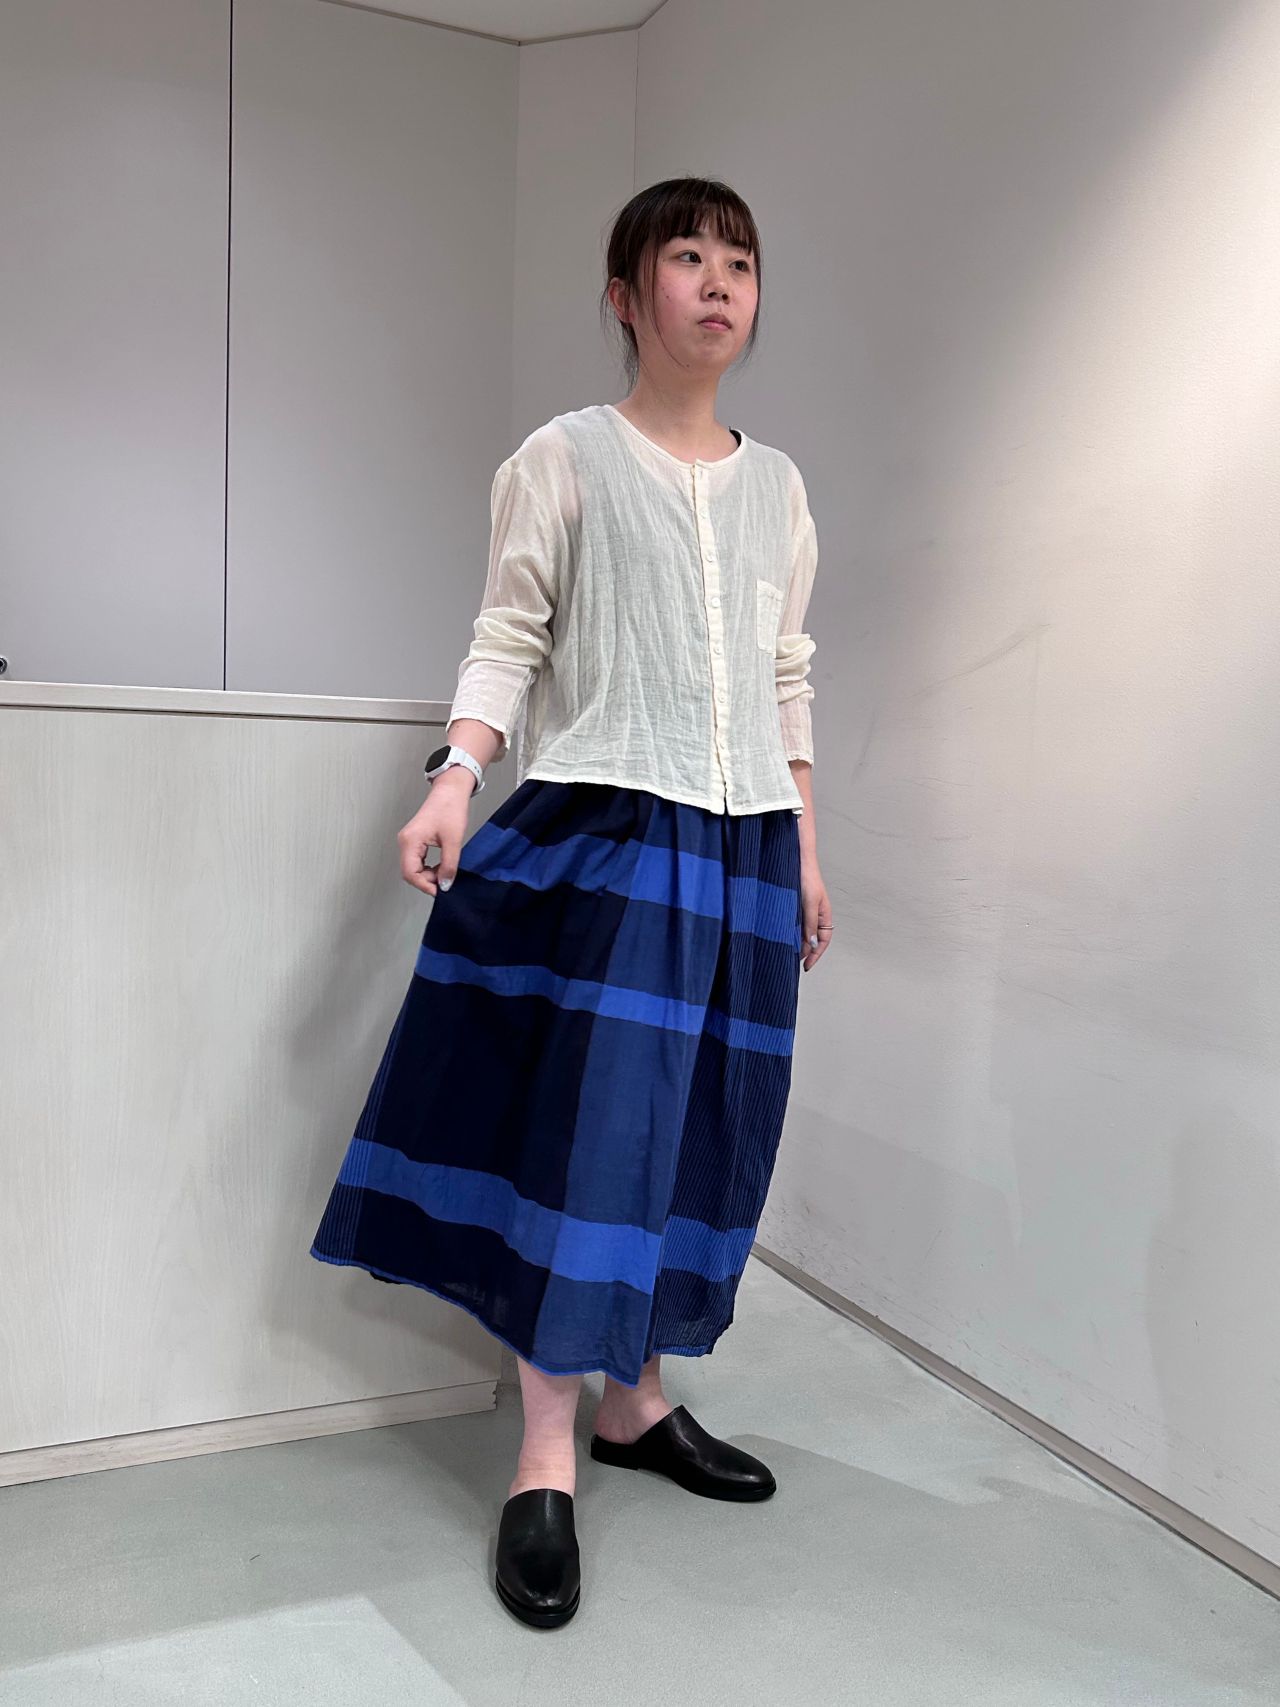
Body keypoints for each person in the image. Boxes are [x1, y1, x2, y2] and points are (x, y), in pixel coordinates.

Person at [309, 176, 834, 1628]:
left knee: (704, 1131)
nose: (718, 283)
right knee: (594, 1144)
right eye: (688, 257)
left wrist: (804, 845)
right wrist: (455, 776)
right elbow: (510, 632)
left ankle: (636, 1404)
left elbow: (786, 675)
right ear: (624, 296)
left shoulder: (781, 489)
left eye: (740, 262)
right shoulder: (565, 457)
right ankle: (545, 1456)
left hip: (744, 848)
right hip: (613, 830)